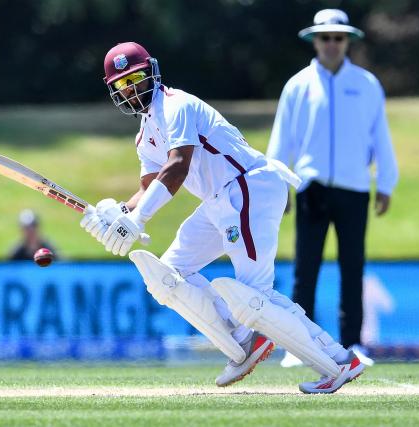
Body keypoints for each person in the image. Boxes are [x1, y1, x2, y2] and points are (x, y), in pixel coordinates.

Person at [79, 41, 366, 393]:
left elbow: (178, 167)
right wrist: (118, 212)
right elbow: (149, 186)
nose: (132, 89)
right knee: (168, 275)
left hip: (247, 187)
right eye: (123, 84)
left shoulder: (176, 105)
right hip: (219, 200)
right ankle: (243, 342)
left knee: (255, 297)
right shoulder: (144, 136)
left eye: (136, 78)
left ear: (151, 72)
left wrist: (137, 221)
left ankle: (339, 362)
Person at [266, 9, 399, 368]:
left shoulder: (367, 84)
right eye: (325, 37)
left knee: (352, 267)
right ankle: (300, 346)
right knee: (305, 269)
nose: (331, 44)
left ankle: (353, 344)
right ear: (315, 41)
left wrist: (385, 182)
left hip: (354, 187)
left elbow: (381, 138)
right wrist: (277, 186)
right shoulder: (297, 85)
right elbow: (282, 140)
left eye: (338, 38)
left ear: (347, 42)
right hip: (312, 186)